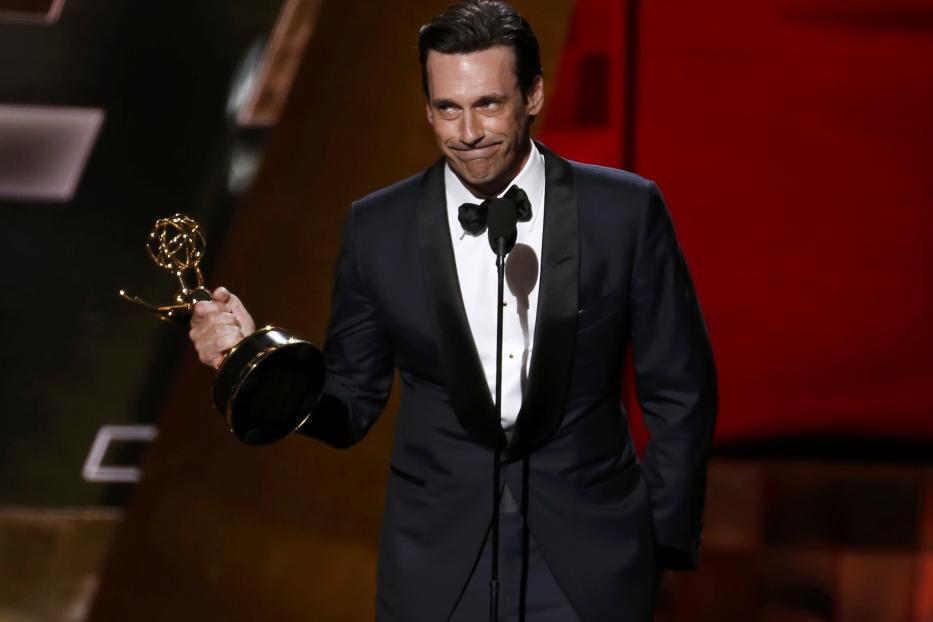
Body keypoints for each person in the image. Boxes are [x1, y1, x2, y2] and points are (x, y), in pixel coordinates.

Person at [189, 1, 717, 620]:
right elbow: (352, 402)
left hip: (591, 564)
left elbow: (680, 388)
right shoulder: (376, 229)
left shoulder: (624, 213)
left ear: (533, 95)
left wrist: (655, 543)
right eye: (447, 108)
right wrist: (257, 361)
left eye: (488, 104)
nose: (467, 132)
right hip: (437, 572)